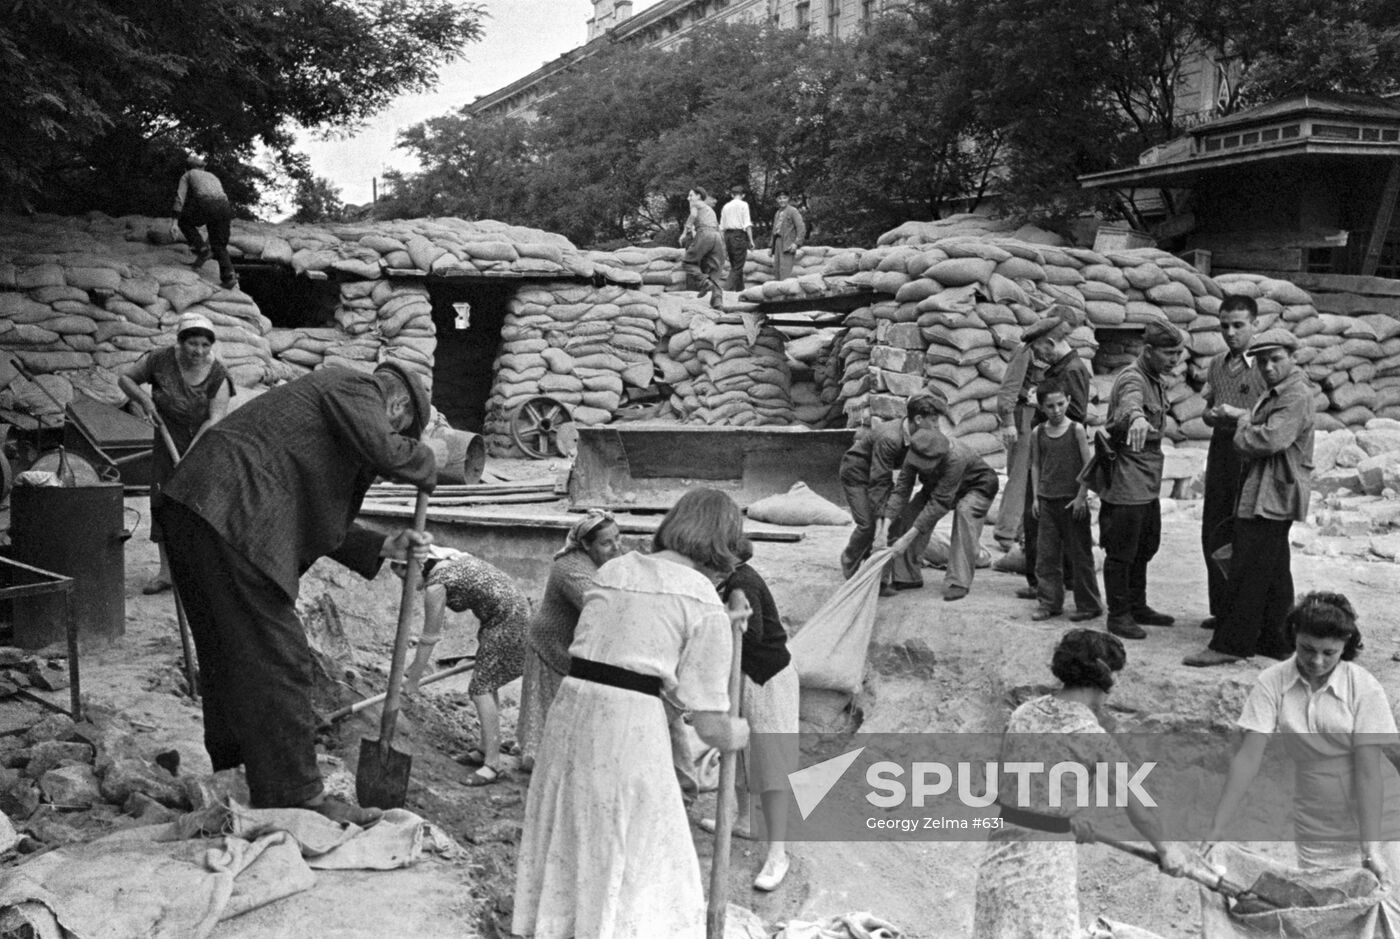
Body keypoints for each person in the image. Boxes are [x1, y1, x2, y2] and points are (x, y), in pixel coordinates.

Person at [155, 362, 436, 824]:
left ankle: (235, 769)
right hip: (232, 511)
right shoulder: (352, 384)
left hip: (196, 508)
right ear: (397, 406)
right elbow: (387, 451)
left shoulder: (321, 427)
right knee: (279, 656)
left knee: (230, 654)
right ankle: (295, 794)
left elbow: (322, 520)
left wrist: (384, 545)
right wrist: (430, 461)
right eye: (402, 429)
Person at [512, 488, 751, 939]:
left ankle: (565, 926)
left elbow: (641, 624)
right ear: (722, 541)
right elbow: (708, 720)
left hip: (572, 709)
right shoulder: (699, 596)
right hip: (628, 726)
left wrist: (719, 618)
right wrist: (735, 733)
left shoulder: (615, 569)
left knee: (574, 822)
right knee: (640, 841)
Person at [972, 629, 1188, 938]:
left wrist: (1063, 821)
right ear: (1104, 678)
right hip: (1042, 871)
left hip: (998, 860)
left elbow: (1016, 795)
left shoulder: (1023, 715)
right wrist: (1167, 851)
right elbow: (1140, 808)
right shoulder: (1093, 738)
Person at [1204, 592, 1400, 900]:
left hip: (1380, 813)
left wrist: (1370, 848)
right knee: (1325, 906)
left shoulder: (1363, 686)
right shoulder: (1272, 681)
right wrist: (1218, 827)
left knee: (1387, 906)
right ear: (1294, 635)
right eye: (1307, 649)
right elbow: (1248, 759)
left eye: (1329, 652)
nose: (1317, 662)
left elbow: (1368, 773)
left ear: (1345, 645)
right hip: (1318, 816)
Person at [1184, 329, 1314, 667]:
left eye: (1276, 359)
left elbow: (1268, 440)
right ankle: (1276, 639)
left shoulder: (1295, 394)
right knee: (1272, 570)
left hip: (1274, 491)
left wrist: (1242, 423)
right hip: (1267, 490)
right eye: (1262, 361)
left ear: (1292, 357)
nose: (1268, 367)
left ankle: (1230, 644)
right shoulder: (1278, 390)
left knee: (1247, 569)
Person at [700, 537, 798, 893]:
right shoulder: (727, 579)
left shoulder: (742, 583)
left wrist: (723, 620)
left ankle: (778, 852)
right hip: (742, 674)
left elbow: (751, 633)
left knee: (772, 761)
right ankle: (745, 820)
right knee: (738, 748)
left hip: (767, 677)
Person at [118, 312, 232, 595]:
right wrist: (144, 400)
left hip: (204, 445)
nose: (199, 351)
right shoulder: (160, 360)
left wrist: (190, 456)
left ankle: (199, 573)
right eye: (193, 343)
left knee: (198, 508)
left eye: (206, 345)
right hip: (166, 443)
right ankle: (166, 574)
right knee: (163, 505)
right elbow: (125, 379)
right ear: (180, 343)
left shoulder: (218, 374)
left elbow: (214, 419)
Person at [397, 546, 530, 787]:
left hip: (508, 621)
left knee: (480, 689)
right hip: (507, 615)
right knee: (487, 685)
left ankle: (492, 765)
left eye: (405, 576)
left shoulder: (436, 585)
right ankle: (484, 749)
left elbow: (430, 636)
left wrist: (414, 677)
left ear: (417, 566)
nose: (405, 584)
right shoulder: (447, 562)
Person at [1098, 319, 1185, 640]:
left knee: (1146, 545)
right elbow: (1129, 406)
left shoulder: (1155, 378)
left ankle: (1137, 604)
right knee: (1121, 549)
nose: (1175, 360)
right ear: (1148, 351)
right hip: (1125, 480)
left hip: (1146, 478)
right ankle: (1118, 615)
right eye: (1169, 353)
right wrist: (1135, 417)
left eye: (1178, 353)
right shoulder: (1133, 378)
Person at [516, 512, 623, 772]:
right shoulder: (571, 568)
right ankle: (541, 761)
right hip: (551, 644)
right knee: (549, 706)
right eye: (606, 543)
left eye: (618, 538)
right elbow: (603, 607)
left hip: (571, 644)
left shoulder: (598, 562)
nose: (616, 547)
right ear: (586, 545)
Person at [1197, 295, 1265, 631]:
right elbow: (1208, 409)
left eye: (1238, 325)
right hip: (1221, 448)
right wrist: (1210, 414)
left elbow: (1276, 415)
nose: (1230, 332)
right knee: (1214, 527)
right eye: (1224, 325)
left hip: (1252, 453)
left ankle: (1245, 612)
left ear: (1256, 324)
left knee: (1246, 530)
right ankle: (1222, 608)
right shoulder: (1216, 364)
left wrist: (1240, 414)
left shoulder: (1266, 366)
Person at [1017, 312, 1090, 600]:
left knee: (1042, 519)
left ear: (1050, 343)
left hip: (1061, 455)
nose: (1038, 357)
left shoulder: (1071, 370)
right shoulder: (1061, 368)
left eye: (1038, 351)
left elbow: (1078, 415)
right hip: (1047, 449)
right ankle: (1053, 581)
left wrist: (1041, 403)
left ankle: (1045, 583)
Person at [837, 392, 946, 580]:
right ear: (918, 419)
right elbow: (879, 482)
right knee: (869, 525)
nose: (937, 427)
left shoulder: (919, 435)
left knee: (891, 524)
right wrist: (881, 527)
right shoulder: (890, 438)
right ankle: (850, 563)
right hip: (856, 474)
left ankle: (878, 575)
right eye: (934, 421)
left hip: (879, 475)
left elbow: (903, 480)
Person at [887, 428, 1000, 601]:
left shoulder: (956, 458)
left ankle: (958, 582)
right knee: (909, 514)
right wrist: (884, 526)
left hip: (978, 486)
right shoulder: (914, 452)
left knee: (964, 512)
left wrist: (906, 539)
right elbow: (902, 490)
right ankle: (907, 577)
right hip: (939, 487)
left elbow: (939, 504)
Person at [1028, 380, 1101, 622]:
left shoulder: (1077, 430)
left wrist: (1082, 496)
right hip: (1048, 502)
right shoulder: (1038, 433)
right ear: (1041, 408)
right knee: (1046, 556)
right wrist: (1037, 497)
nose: (1056, 410)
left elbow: (1088, 465)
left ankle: (1089, 605)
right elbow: (1036, 465)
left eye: (1060, 404)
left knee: (1080, 555)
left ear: (1068, 401)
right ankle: (1049, 602)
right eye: (1050, 406)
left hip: (1073, 503)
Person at [173, 154, 238, 289]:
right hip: (225, 207)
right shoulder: (212, 176)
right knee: (219, 245)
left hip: (207, 204)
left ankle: (202, 249)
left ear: (187, 168)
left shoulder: (188, 175)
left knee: (184, 221)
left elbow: (180, 198)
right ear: (202, 167)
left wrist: (174, 221)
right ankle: (229, 276)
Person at [681, 186, 725, 310]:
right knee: (715, 270)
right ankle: (717, 302)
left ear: (699, 196)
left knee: (687, 263)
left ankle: (705, 282)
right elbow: (718, 227)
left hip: (704, 233)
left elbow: (693, 216)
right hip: (717, 237)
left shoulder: (695, 204)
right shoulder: (710, 209)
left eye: (691, 195)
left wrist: (685, 233)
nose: (688, 198)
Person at [719, 184, 755, 292]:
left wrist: (724, 243)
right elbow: (747, 224)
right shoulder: (744, 205)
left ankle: (740, 290)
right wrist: (751, 241)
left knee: (735, 264)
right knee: (738, 266)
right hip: (739, 235)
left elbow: (721, 227)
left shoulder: (725, 206)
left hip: (727, 236)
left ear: (731, 195)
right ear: (743, 195)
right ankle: (725, 291)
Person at [770, 191, 806, 280]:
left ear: (788, 198)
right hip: (778, 243)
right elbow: (774, 230)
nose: (782, 200)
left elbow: (801, 227)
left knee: (785, 270)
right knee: (777, 268)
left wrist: (796, 243)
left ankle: (785, 290)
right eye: (779, 198)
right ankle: (779, 290)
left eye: (784, 198)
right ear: (776, 200)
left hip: (788, 243)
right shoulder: (777, 213)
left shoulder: (793, 211)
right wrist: (771, 246)